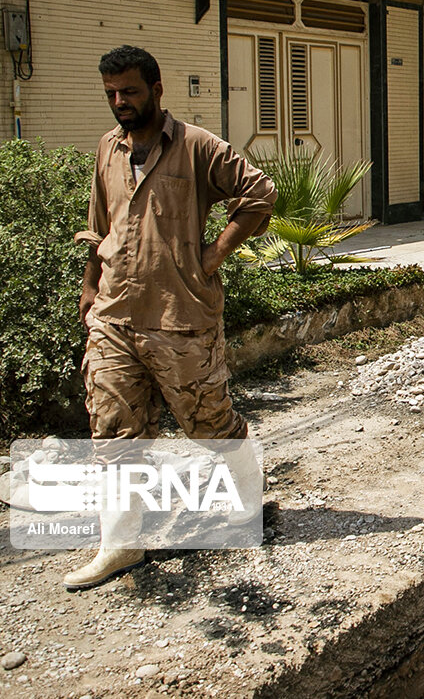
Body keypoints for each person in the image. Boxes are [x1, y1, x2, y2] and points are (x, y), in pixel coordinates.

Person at [65, 45, 277, 590]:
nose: (120, 103)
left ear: (157, 90)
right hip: (115, 314)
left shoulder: (196, 147)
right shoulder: (107, 150)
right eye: (111, 93)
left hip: (179, 315)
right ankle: (122, 544)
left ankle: (247, 504)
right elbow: (99, 225)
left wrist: (214, 255)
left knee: (210, 425)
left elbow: (258, 194)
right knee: (113, 433)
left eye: (130, 91)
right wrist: (91, 287)